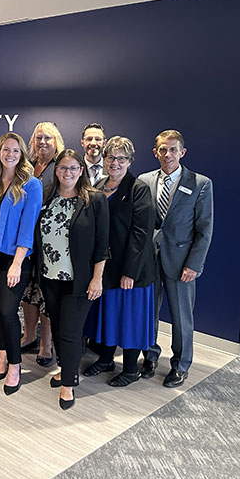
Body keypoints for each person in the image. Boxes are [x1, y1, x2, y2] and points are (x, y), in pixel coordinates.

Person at [138, 130, 214, 388]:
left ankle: (181, 365)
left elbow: (205, 229)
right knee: (148, 312)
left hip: (181, 262)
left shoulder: (200, 183)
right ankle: (149, 356)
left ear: (182, 152)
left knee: (182, 317)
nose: (167, 154)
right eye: (162, 149)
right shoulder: (144, 180)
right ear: (155, 152)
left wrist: (194, 264)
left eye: (172, 150)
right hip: (149, 260)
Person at [39, 149, 109, 410]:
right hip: (49, 276)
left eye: (73, 168)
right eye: (62, 168)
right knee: (57, 326)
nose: (67, 173)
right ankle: (67, 370)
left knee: (70, 331)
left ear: (82, 171)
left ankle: (68, 384)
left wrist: (97, 279)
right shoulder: (48, 196)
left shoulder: (94, 200)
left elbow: (103, 245)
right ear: (56, 171)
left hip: (79, 281)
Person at [83, 137, 156, 386]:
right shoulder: (101, 184)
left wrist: (130, 272)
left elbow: (142, 234)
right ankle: (105, 359)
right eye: (111, 157)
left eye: (121, 158)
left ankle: (131, 370)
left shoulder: (138, 189)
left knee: (129, 320)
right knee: (107, 315)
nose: (115, 163)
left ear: (130, 161)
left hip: (130, 269)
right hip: (105, 267)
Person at [0, 132, 43, 395]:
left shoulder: (32, 184)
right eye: (6, 150)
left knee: (8, 311)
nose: (10, 155)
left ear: (22, 155)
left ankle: (15, 365)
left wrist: (17, 263)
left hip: (15, 259)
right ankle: (1, 355)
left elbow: (28, 228)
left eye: (16, 151)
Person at [21, 122, 64, 367]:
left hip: (50, 241)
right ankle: (29, 335)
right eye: (38, 138)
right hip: (28, 239)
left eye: (48, 137)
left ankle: (46, 345)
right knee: (27, 291)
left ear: (56, 141)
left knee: (46, 295)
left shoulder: (60, 166)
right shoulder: (27, 165)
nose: (43, 142)